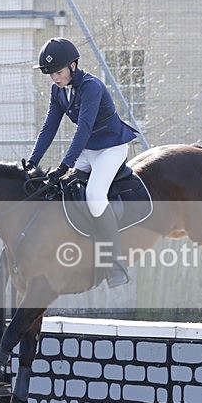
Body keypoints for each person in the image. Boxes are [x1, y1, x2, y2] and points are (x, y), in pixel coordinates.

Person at [29, 37, 137, 288]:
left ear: (73, 66)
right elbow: (49, 127)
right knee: (62, 191)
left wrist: (65, 165)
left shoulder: (91, 87)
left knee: (95, 195)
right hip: (88, 150)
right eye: (51, 74)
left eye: (58, 72)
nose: (55, 78)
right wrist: (33, 161)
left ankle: (117, 264)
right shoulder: (58, 90)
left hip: (111, 148)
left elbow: (84, 129)